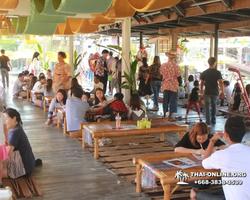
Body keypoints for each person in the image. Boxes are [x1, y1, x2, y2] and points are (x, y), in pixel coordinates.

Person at [190, 117, 250, 200]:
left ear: (226, 135)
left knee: (199, 194)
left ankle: (194, 197)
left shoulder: (223, 155)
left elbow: (205, 162)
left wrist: (212, 141)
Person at [0, 108, 36, 184]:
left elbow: (7, 154)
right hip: (28, 163)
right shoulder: (17, 129)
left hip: (23, 168)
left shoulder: (15, 132)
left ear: (14, 118)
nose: (5, 122)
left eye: (6, 119)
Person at [200, 57, 224, 125]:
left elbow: (202, 82)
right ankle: (213, 120)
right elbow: (221, 82)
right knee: (214, 106)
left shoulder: (205, 72)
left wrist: (201, 90)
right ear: (214, 63)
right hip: (215, 92)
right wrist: (222, 92)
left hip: (207, 91)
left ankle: (208, 121)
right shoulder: (217, 72)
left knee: (207, 107)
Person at [160, 49, 182, 121]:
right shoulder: (176, 66)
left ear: (168, 57)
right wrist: (180, 84)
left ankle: (164, 115)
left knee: (165, 100)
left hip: (166, 85)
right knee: (173, 101)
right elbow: (179, 77)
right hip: (174, 86)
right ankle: (170, 116)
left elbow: (161, 76)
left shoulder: (163, 65)